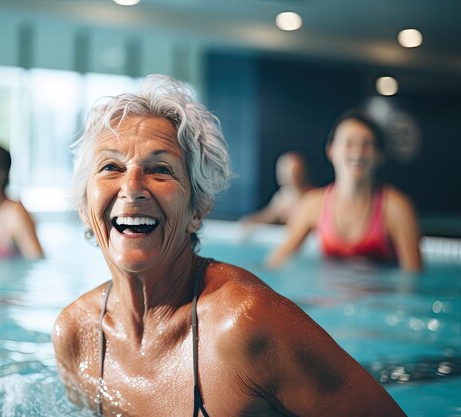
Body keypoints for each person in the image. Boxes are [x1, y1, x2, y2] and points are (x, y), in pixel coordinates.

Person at [52, 75, 405, 416]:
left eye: (160, 169)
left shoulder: (245, 322)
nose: (132, 186)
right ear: (85, 208)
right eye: (111, 166)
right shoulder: (74, 335)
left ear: (197, 209)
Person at [266, 110, 422, 272]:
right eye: (349, 143)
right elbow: (276, 261)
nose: (358, 152)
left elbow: (413, 277)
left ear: (379, 155)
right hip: (329, 296)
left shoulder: (396, 208)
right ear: (331, 151)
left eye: (367, 145)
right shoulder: (313, 204)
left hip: (381, 296)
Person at [239, 151, 311, 227]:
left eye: (294, 171)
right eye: (283, 170)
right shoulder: (283, 197)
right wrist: (250, 221)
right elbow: (269, 216)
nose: (288, 174)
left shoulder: (312, 197)